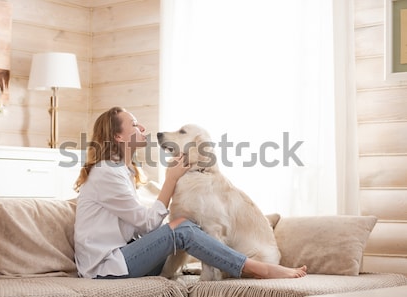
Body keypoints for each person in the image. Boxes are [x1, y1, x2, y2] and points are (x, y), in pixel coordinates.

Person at [73, 106, 307, 280]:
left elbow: (140, 227)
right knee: (183, 226)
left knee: (188, 227)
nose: (143, 127)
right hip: (106, 269)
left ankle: (235, 267)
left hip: (125, 260)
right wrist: (170, 181)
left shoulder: (123, 171)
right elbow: (147, 225)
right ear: (118, 136)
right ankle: (258, 268)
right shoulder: (107, 172)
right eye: (134, 124)